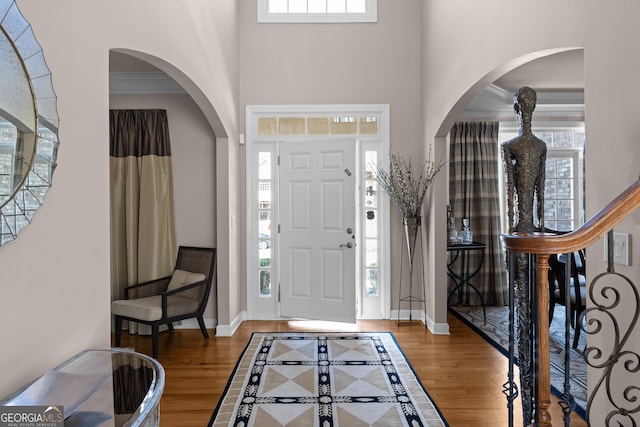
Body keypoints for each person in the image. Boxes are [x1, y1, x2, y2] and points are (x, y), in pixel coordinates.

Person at [502, 86, 547, 234]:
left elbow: (511, 191)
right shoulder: (540, 146)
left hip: (522, 227)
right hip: (527, 227)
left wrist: (510, 230)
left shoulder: (510, 146)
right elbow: (540, 192)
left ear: (516, 108)